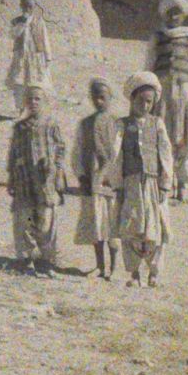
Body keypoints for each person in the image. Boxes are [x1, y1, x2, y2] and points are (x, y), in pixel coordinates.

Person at [105, 71, 175, 287]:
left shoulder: (157, 124)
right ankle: (134, 273)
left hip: (153, 184)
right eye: (141, 101)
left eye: (149, 102)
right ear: (132, 99)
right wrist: (117, 183)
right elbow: (115, 156)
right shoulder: (121, 125)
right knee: (132, 227)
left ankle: (153, 272)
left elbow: (165, 153)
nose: (145, 106)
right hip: (132, 184)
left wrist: (165, 182)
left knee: (158, 228)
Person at [147, 0, 188, 201]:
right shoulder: (158, 37)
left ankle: (182, 185)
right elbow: (149, 65)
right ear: (165, 15)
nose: (174, 17)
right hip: (163, 94)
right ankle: (164, 183)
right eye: (170, 13)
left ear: (183, 15)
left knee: (186, 138)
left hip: (184, 93)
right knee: (163, 137)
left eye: (177, 13)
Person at [6, 85, 68, 278]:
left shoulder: (50, 125)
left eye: (37, 99)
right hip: (24, 180)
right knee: (25, 219)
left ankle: (46, 261)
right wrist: (11, 177)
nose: (33, 103)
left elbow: (60, 148)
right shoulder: (20, 127)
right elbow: (13, 153)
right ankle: (27, 260)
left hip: (45, 181)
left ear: (44, 102)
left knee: (46, 222)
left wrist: (57, 171)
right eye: (30, 99)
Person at [72, 78, 123, 280]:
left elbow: (120, 153)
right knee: (96, 225)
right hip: (93, 183)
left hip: (112, 183)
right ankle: (100, 266)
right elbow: (77, 151)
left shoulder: (118, 125)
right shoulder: (85, 124)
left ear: (110, 98)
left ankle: (115, 268)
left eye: (103, 98)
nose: (99, 102)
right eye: (95, 98)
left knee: (112, 227)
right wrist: (81, 175)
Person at [5, 0, 53, 115]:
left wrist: (48, 57)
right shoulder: (17, 21)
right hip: (21, 57)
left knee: (35, 84)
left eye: (31, 6)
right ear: (22, 7)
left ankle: (34, 110)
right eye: (26, 6)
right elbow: (13, 35)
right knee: (20, 84)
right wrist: (23, 23)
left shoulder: (39, 22)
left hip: (35, 57)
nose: (28, 9)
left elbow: (45, 39)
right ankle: (20, 109)